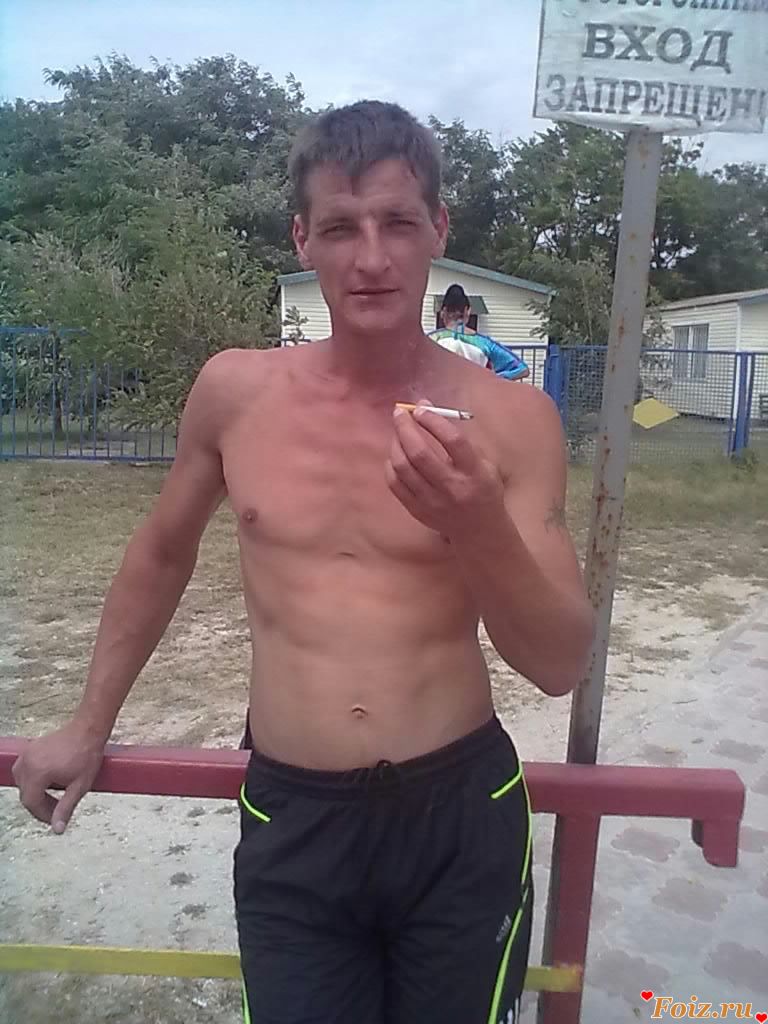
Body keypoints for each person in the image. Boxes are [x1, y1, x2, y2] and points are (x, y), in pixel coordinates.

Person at [12, 100, 594, 1024]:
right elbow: (161, 554)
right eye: (341, 228)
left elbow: (559, 663)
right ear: (302, 239)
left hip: (460, 809)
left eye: (398, 222)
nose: (372, 258)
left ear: (439, 229)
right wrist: (88, 723)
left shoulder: (513, 420)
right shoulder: (236, 391)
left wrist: (477, 523)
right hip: (294, 812)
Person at [430, 283, 531, 381]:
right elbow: (522, 369)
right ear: (467, 311)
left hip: (439, 391)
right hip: (475, 390)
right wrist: (491, 379)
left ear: (443, 312)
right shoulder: (484, 344)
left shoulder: (431, 340)